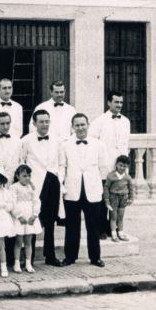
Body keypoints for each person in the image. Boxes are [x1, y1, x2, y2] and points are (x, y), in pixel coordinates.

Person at [59, 113, 109, 268]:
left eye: (83, 124)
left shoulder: (98, 144)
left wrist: (96, 183)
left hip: (92, 189)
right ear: (72, 127)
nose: (80, 128)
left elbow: (104, 167)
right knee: (72, 226)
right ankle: (70, 257)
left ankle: (95, 257)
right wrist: (62, 184)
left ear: (88, 125)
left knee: (93, 226)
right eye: (77, 125)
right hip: (72, 189)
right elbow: (62, 166)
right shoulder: (65, 144)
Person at [20, 109, 64, 266]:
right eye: (41, 121)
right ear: (34, 123)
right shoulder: (26, 140)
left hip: (52, 181)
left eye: (47, 121)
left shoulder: (57, 140)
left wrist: (59, 178)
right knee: (33, 217)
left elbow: (62, 163)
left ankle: (50, 256)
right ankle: (28, 259)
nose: (45, 124)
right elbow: (22, 161)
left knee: (50, 220)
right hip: (35, 184)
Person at [90, 91, 131, 239]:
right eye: (116, 102)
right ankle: (101, 229)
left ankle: (115, 228)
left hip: (119, 169)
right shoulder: (99, 121)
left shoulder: (126, 121)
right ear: (108, 103)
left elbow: (125, 144)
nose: (119, 105)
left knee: (118, 199)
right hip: (105, 168)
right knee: (104, 200)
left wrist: (125, 166)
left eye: (121, 102)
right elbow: (92, 143)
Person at [10, 164, 42, 273]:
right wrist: (18, 216)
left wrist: (35, 214)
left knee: (28, 242)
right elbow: (12, 203)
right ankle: (17, 263)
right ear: (18, 176)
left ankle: (28, 263)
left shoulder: (32, 187)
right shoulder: (13, 187)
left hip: (30, 215)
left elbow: (36, 201)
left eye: (29, 175)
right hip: (20, 216)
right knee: (18, 242)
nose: (27, 178)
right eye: (24, 176)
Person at [104, 155, 135, 242]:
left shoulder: (127, 177)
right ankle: (114, 234)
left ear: (127, 167)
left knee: (120, 217)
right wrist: (106, 200)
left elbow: (131, 189)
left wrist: (131, 198)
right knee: (113, 217)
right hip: (113, 198)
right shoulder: (111, 176)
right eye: (120, 165)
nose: (122, 168)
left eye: (124, 166)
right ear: (116, 165)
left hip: (123, 198)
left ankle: (120, 233)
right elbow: (106, 188)